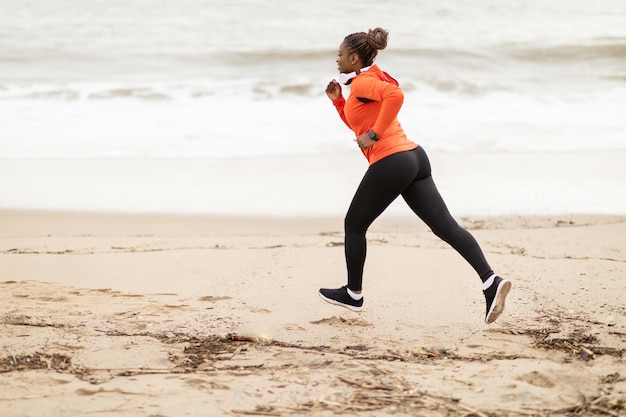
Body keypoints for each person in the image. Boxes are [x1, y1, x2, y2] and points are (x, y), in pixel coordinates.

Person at [318, 27, 511, 324]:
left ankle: (353, 293)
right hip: (413, 158)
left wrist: (375, 133)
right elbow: (360, 125)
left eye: (340, 55)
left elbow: (396, 97)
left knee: (354, 225)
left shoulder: (364, 83)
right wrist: (338, 101)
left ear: (354, 58)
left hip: (392, 160)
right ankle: (490, 282)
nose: (337, 60)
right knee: (445, 227)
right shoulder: (368, 80)